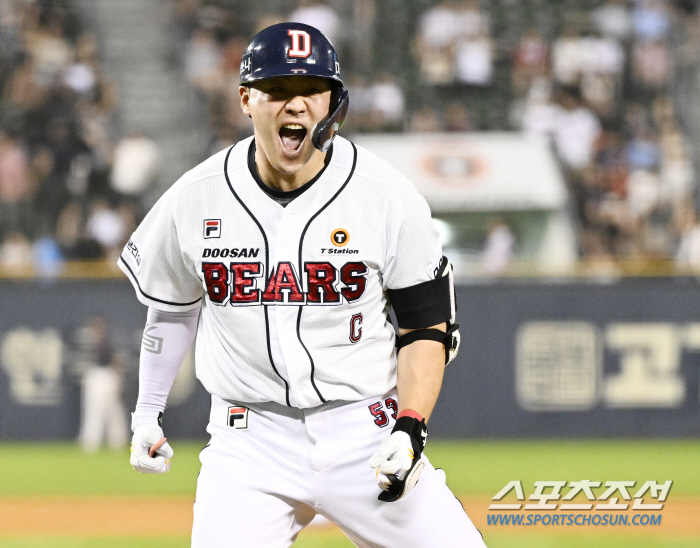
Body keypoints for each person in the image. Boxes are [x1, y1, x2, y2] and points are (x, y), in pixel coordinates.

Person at [119, 22, 485, 547]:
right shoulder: (196, 195)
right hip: (248, 441)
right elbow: (173, 309)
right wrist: (147, 412)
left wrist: (410, 427)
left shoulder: (384, 194)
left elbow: (426, 325)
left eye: (311, 90)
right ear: (246, 99)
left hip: (367, 433)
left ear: (334, 102)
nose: (295, 105)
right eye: (277, 90)